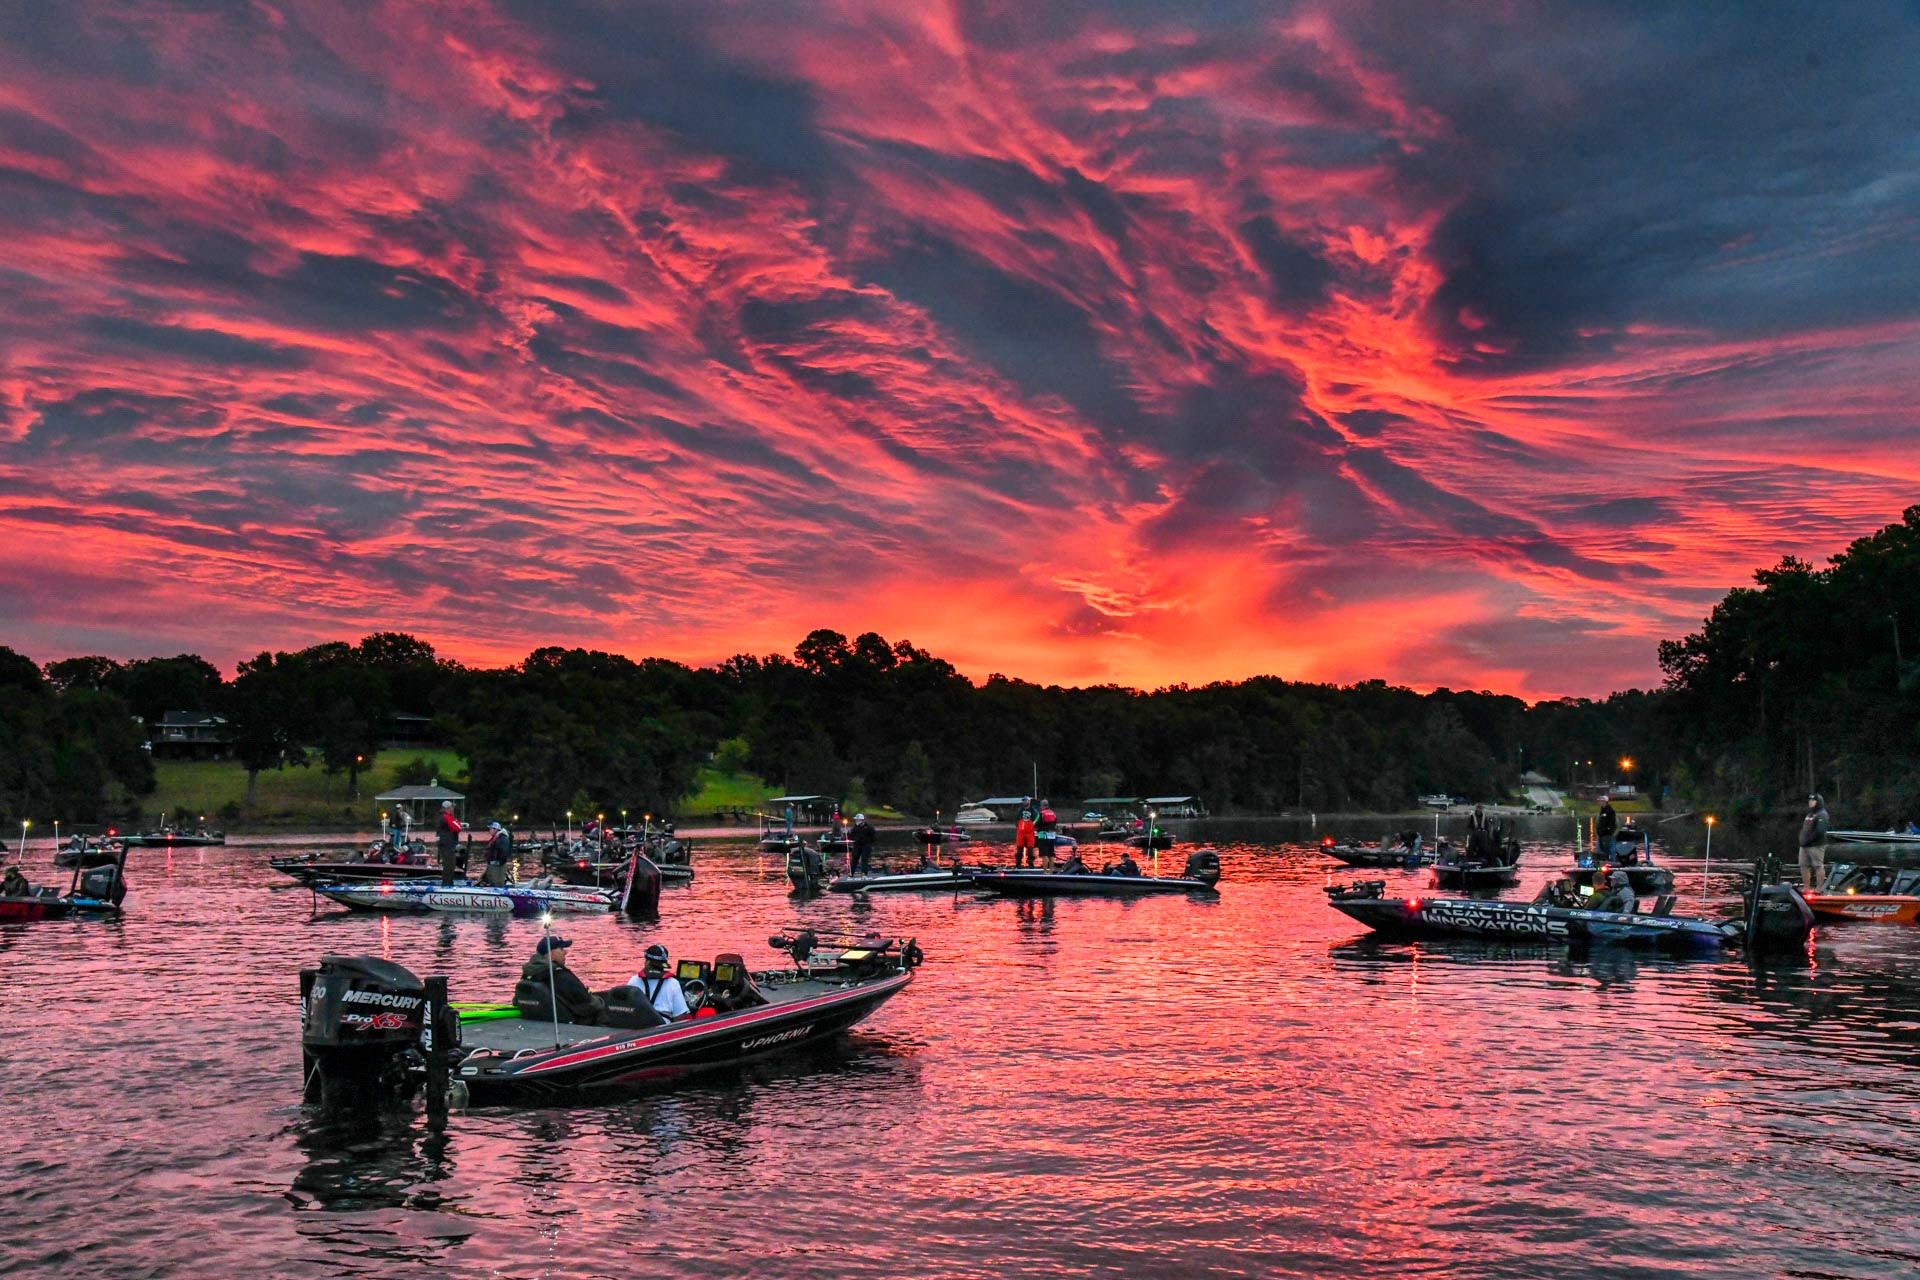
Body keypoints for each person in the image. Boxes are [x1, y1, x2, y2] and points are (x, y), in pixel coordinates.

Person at [524, 935, 604, 1024]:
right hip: (574, 1024)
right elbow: (589, 1004)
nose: (565, 952)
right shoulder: (561, 975)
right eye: (561, 949)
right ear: (551, 955)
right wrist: (601, 1002)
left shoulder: (529, 974)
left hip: (543, 1020)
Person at [626, 942, 690, 1021]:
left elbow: (627, 1009)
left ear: (647, 962)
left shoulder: (634, 980)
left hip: (639, 1025)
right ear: (664, 964)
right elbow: (680, 1015)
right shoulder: (673, 983)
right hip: (664, 1026)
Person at [1798, 793, 1830, 890]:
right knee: (1803, 865)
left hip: (1816, 845)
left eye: (1813, 800)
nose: (1810, 802)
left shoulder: (1822, 814)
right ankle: (1806, 887)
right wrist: (1802, 839)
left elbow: (1820, 831)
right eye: (1810, 800)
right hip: (1804, 845)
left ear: (1818, 802)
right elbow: (1805, 829)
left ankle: (1819, 888)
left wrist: (1808, 840)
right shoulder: (1809, 814)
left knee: (1818, 866)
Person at [436, 800, 463, 886]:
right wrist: (457, 822)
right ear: (447, 808)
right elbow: (458, 827)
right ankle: (447, 885)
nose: (452, 809)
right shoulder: (446, 817)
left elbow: (457, 825)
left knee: (449, 865)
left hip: (446, 843)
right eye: (451, 807)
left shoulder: (444, 816)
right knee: (449, 865)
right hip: (447, 844)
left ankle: (448, 883)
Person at [481, 821, 513, 886]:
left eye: (490, 829)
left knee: (497, 883)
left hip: (498, 865)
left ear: (495, 829)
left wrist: (500, 862)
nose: (489, 831)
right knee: (492, 881)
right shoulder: (497, 838)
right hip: (493, 864)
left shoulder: (502, 838)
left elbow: (504, 852)